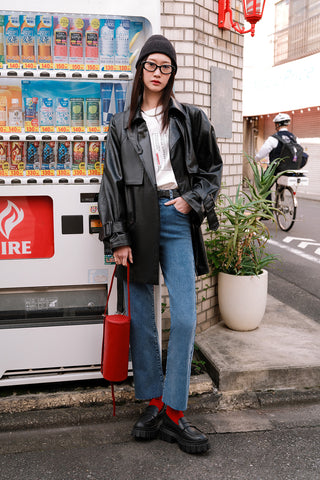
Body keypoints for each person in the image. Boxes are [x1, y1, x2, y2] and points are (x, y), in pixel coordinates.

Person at [98, 35, 222, 454]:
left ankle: (174, 411)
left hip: (176, 217)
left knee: (185, 317)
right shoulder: (120, 125)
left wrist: (192, 200)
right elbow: (110, 186)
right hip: (136, 225)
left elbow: (212, 171)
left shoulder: (190, 118)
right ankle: (152, 403)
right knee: (141, 321)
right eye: (151, 65)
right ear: (140, 70)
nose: (157, 73)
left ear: (172, 73)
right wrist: (116, 238)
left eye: (165, 67)